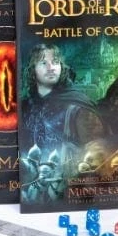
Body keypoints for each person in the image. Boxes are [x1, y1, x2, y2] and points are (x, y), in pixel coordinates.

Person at [19, 43, 107, 179]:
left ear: (61, 66)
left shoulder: (78, 106)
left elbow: (96, 149)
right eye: (43, 63)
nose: (51, 68)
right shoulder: (25, 106)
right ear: (33, 70)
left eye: (55, 62)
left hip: (68, 180)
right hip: (31, 180)